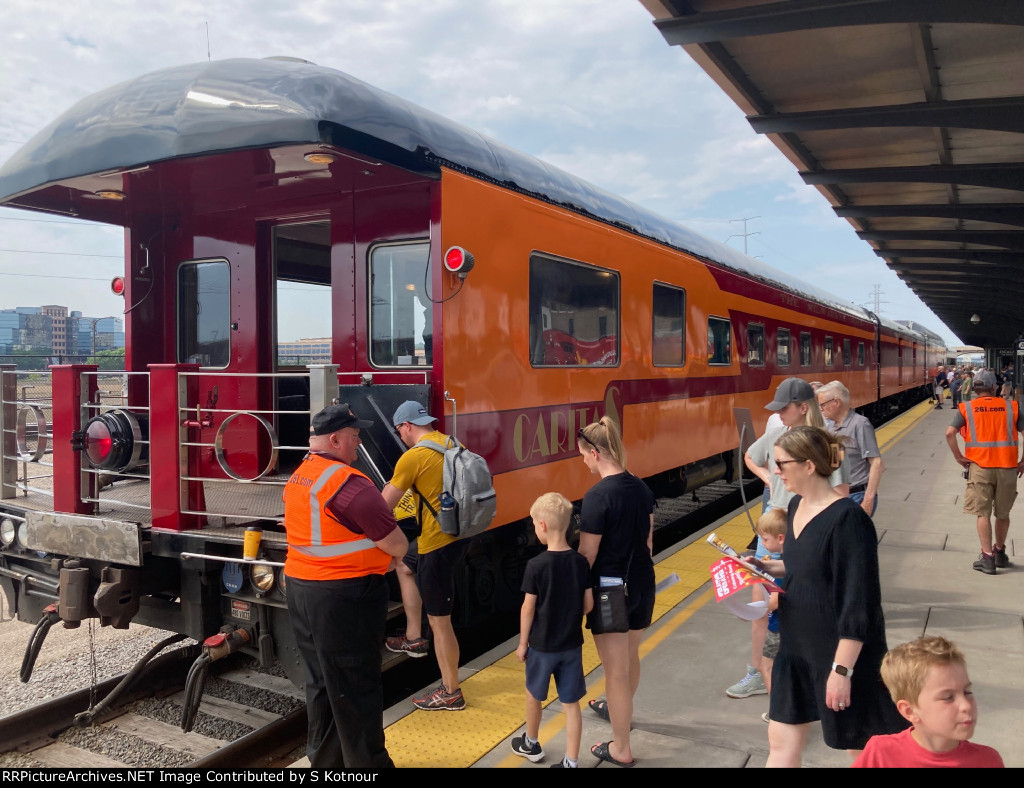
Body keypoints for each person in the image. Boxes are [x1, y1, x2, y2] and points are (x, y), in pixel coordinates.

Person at [756, 426, 908, 768]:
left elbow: (860, 604)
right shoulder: (795, 506)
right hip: (796, 648)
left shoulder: (849, 521)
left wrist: (842, 672)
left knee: (863, 750)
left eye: (781, 463)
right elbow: (803, 570)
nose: (776, 471)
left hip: (838, 655)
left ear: (809, 465)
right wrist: (762, 565)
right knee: (780, 742)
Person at [282, 404, 409, 768]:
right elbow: (396, 543)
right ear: (335, 439)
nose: (358, 443)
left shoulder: (300, 476)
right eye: (354, 437)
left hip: (302, 590)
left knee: (322, 683)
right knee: (357, 688)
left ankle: (325, 762)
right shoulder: (350, 484)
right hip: (345, 597)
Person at [730, 378, 849, 702]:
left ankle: (807, 676)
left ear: (802, 407)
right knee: (761, 604)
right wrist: (769, 479)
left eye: (783, 408)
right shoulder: (775, 435)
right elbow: (750, 457)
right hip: (773, 526)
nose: (778, 413)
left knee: (802, 605)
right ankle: (758, 672)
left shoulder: (830, 443)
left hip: (803, 530)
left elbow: (840, 495)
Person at [577, 416, 656, 768]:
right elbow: (648, 543)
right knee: (630, 658)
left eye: (583, 455)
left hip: (610, 592)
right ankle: (619, 710)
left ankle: (620, 746)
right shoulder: (640, 487)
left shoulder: (597, 497)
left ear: (595, 453)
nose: (582, 461)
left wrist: (575, 594)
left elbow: (588, 555)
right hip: (642, 582)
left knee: (615, 672)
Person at [381, 400, 470, 710]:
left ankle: (451, 692)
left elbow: (383, 507)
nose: (401, 436)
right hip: (460, 534)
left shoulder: (413, 457)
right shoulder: (450, 443)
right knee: (405, 564)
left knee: (441, 621)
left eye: (399, 430)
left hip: (436, 544)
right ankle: (413, 636)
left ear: (407, 426)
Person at [510, 492, 594, 768]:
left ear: (543, 525)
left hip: (542, 647)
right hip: (571, 645)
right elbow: (588, 605)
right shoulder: (580, 563)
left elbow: (527, 609)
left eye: (534, 524)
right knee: (571, 704)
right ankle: (571, 761)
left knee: (534, 695)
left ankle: (531, 743)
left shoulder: (536, 566)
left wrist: (523, 644)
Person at [852, 635, 1004, 768]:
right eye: (948, 697)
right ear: (909, 711)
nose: (966, 705)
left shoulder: (987, 760)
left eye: (967, 692)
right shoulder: (881, 753)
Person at [944, 369, 1024, 575]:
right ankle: (1000, 552)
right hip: (1007, 468)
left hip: (980, 468)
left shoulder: (966, 408)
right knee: (1003, 514)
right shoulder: (1012, 407)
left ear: (975, 388)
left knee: (983, 513)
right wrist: (1022, 461)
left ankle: (987, 558)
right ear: (994, 388)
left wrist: (959, 457)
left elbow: (950, 433)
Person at [818, 380, 885, 516]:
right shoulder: (831, 427)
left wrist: (868, 499)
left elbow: (876, 463)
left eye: (823, 404)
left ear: (836, 402)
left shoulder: (860, 424)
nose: (820, 409)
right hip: (838, 495)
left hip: (857, 496)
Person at [754, 507, 787, 724]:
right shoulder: (794, 558)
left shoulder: (785, 568)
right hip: (792, 627)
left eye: (765, 539)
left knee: (767, 666)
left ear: (781, 538)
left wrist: (758, 609)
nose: (763, 544)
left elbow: (776, 601)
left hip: (778, 628)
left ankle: (778, 713)